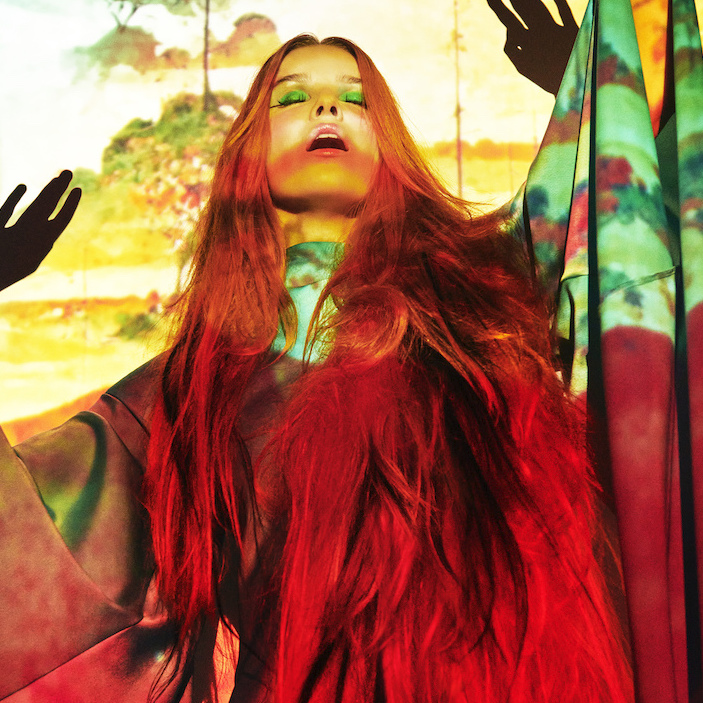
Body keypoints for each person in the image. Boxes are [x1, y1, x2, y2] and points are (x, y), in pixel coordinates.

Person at [0, 28, 635, 703]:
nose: (327, 109)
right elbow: (31, 551)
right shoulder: (182, 394)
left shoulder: (486, 295)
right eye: (292, 97)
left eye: (355, 99)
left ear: (388, 144)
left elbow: (624, 251)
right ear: (248, 150)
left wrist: (590, 91)